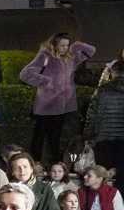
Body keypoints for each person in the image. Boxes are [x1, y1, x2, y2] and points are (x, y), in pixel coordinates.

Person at [20, 32, 96, 164]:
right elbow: (25, 74)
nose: (65, 48)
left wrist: (77, 44)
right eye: (62, 45)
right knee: (39, 136)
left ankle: (55, 166)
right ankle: (35, 163)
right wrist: (46, 81)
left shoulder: (70, 57)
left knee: (56, 137)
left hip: (62, 105)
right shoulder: (45, 56)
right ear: (54, 45)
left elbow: (91, 51)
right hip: (46, 104)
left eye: (67, 45)